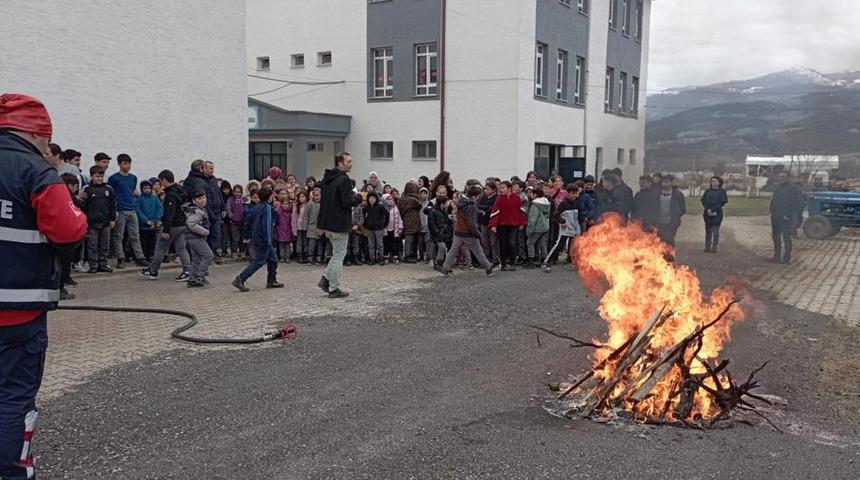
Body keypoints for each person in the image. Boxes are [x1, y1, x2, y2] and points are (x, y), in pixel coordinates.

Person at [0, 93, 88, 480]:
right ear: (35, 134)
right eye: (44, 140)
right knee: (13, 398)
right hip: (17, 310)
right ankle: (12, 472)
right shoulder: (35, 171)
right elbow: (68, 230)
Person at [317, 152, 362, 298]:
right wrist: (359, 197)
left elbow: (324, 202)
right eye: (348, 161)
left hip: (328, 223)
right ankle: (333, 288)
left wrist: (321, 224)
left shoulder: (327, 179)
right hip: (339, 223)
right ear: (340, 164)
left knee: (336, 254)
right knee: (338, 256)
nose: (351, 164)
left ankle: (325, 279)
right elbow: (347, 202)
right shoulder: (344, 179)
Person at [139, 170, 192, 281]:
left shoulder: (170, 195)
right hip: (183, 224)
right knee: (181, 248)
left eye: (161, 181)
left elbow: (170, 213)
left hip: (173, 226)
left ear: (164, 180)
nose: (160, 184)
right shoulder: (181, 191)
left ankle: (153, 271)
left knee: (160, 247)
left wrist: (166, 230)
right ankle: (188, 271)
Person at [232, 187, 284, 291]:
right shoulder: (267, 208)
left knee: (273, 260)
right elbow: (267, 226)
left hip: (257, 237)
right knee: (259, 261)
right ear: (269, 197)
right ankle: (240, 279)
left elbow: (248, 222)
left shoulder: (256, 207)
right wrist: (268, 240)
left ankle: (271, 280)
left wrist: (247, 236)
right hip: (264, 239)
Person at [439, 185, 498, 277]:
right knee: (478, 252)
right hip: (468, 233)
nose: (479, 198)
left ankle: (445, 268)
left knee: (453, 251)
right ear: (474, 196)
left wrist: (478, 212)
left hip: (459, 231)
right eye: (478, 196)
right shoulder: (471, 206)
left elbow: (467, 212)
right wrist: (478, 234)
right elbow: (471, 223)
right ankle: (488, 269)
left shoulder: (461, 202)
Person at [108, 153, 148, 268]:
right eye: (125, 163)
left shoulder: (133, 178)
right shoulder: (114, 178)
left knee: (135, 235)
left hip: (132, 209)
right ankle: (120, 257)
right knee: (118, 235)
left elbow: (132, 191)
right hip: (120, 210)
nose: (128, 166)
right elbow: (111, 194)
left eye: (129, 163)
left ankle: (140, 257)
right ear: (119, 164)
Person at [83, 166, 117, 273]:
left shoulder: (108, 189)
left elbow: (113, 205)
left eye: (101, 176)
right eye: (97, 176)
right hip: (92, 222)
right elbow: (83, 206)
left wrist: (113, 219)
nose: (99, 178)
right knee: (92, 245)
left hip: (106, 221)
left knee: (104, 244)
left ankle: (103, 264)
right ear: (91, 176)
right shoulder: (86, 189)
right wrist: (85, 221)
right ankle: (93, 265)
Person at [489, 180, 526, 271]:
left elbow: (521, 211)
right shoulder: (499, 198)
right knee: (502, 244)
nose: (501, 190)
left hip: (514, 225)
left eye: (503, 187)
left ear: (509, 188)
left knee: (512, 243)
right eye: (500, 188)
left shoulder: (517, 198)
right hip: (502, 225)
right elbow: (495, 212)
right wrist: (493, 225)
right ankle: (504, 263)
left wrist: (522, 223)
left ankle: (513, 263)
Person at [770, 171, 803, 264]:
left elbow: (797, 203)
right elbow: (774, 200)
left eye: (784, 176)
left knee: (786, 238)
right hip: (776, 216)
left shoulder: (793, 189)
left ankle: (786, 258)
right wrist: (771, 211)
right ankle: (776, 256)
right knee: (776, 237)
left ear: (788, 177)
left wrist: (789, 215)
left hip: (786, 217)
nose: (781, 178)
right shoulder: (778, 188)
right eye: (780, 176)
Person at [546, 184, 582, 270]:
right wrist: (562, 221)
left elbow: (578, 215)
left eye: (575, 193)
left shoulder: (577, 203)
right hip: (565, 229)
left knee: (575, 247)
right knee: (559, 245)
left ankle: (575, 263)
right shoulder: (563, 204)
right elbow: (555, 215)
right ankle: (547, 260)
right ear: (567, 194)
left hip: (575, 229)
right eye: (572, 193)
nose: (574, 195)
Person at [183, 190, 214, 287]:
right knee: (208, 255)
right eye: (199, 198)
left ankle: (192, 279)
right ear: (194, 200)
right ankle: (200, 276)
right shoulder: (197, 211)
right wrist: (204, 231)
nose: (202, 200)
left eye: (204, 197)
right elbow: (191, 224)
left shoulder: (199, 209)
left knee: (196, 259)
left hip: (192, 237)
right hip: (195, 237)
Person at [655, 175, 687, 246]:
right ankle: (661, 255)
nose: (664, 184)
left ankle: (670, 255)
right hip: (660, 221)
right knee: (660, 239)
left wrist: (676, 215)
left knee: (669, 239)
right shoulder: (658, 193)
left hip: (672, 222)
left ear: (671, 183)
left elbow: (683, 208)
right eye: (663, 182)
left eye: (666, 182)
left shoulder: (677, 194)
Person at [136, 180, 163, 261]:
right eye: (145, 188)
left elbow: (160, 209)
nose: (147, 190)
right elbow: (138, 210)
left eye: (149, 188)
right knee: (144, 242)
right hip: (143, 226)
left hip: (153, 225)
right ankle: (144, 256)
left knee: (152, 241)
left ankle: (151, 256)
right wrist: (146, 221)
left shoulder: (155, 198)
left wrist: (155, 220)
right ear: (141, 189)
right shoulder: (140, 199)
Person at [525, 187, 551, 270]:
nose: (530, 195)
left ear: (535, 194)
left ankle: (531, 261)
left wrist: (529, 230)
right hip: (545, 227)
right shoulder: (546, 203)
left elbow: (533, 218)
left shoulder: (535, 204)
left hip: (537, 227)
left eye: (531, 193)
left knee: (530, 243)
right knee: (542, 244)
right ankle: (545, 260)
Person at [701, 176, 728, 253]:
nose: (713, 183)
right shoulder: (707, 191)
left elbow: (722, 203)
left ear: (719, 182)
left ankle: (714, 247)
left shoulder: (722, 192)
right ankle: (707, 247)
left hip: (717, 214)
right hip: (707, 213)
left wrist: (713, 209)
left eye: (715, 181)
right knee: (708, 231)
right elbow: (703, 201)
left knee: (715, 232)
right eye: (712, 181)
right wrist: (708, 209)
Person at [397, 182, 423, 263]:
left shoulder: (401, 199)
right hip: (413, 222)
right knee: (411, 240)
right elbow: (419, 206)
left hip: (405, 221)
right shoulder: (414, 200)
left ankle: (408, 255)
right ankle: (409, 255)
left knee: (408, 239)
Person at [363, 191, 389, 265]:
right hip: (369, 228)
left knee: (380, 244)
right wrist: (365, 224)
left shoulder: (380, 206)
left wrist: (384, 224)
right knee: (371, 244)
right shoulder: (366, 207)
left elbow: (387, 214)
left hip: (379, 228)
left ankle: (381, 258)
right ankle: (372, 259)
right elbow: (363, 215)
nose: (372, 200)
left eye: (373, 198)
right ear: (368, 199)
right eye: (370, 198)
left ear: (376, 199)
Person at [477, 181, 500, 266]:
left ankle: (495, 259)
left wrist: (485, 208)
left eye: (488, 189)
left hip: (492, 222)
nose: (486, 191)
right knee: (485, 242)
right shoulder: (483, 197)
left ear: (493, 189)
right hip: (484, 222)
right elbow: (478, 205)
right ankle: (485, 259)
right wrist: (486, 208)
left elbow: (492, 208)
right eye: (485, 189)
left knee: (493, 242)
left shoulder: (497, 197)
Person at [428, 195, 453, 269]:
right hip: (437, 234)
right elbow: (431, 224)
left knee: (442, 247)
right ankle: (439, 262)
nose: (447, 204)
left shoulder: (444, 212)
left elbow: (446, 223)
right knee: (442, 247)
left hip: (443, 233)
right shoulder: (433, 211)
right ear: (442, 204)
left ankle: (439, 262)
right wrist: (438, 232)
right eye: (446, 203)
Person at [226, 184, 246, 258]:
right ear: (233, 192)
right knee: (235, 238)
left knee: (242, 237)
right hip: (234, 222)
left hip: (243, 221)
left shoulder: (244, 199)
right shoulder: (230, 199)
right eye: (236, 192)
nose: (237, 194)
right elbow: (228, 209)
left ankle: (242, 251)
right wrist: (231, 216)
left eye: (239, 192)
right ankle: (234, 251)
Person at [273, 188, 293, 263]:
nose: (285, 206)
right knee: (281, 246)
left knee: (287, 245)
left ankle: (287, 257)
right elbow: (276, 221)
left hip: (288, 230)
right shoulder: (278, 211)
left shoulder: (290, 212)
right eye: (283, 204)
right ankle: (282, 257)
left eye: (286, 204)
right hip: (280, 231)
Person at [304, 188, 322, 265]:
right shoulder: (309, 204)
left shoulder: (324, 204)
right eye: (315, 195)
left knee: (320, 243)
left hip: (321, 227)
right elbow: (306, 216)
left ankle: (318, 257)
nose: (316, 197)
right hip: (311, 227)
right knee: (312, 243)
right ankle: (310, 257)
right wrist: (305, 227)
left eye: (318, 195)